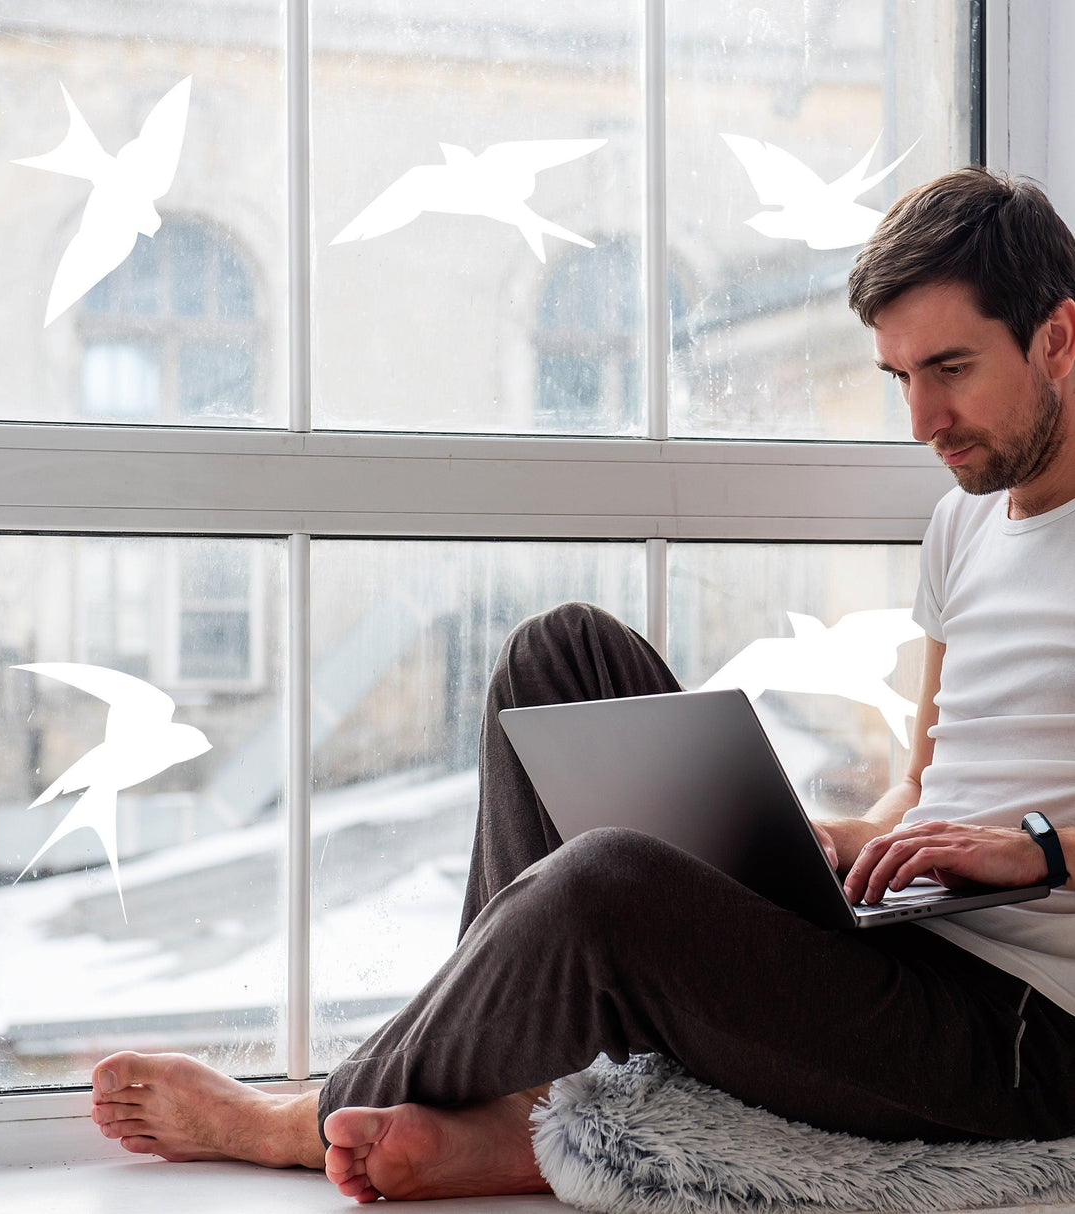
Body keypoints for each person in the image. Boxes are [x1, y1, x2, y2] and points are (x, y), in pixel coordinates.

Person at [88, 166, 1075, 1203]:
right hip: (904, 939)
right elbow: (916, 783)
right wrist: (836, 839)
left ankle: (303, 1115)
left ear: (1055, 334)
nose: (922, 418)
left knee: (610, 885)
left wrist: (1035, 845)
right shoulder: (963, 520)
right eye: (898, 376)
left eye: (950, 368)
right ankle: (520, 1100)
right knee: (552, 664)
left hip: (1018, 1029)